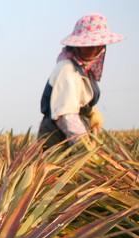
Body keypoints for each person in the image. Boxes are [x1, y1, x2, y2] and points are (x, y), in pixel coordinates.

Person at [38, 14, 123, 149]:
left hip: (74, 134)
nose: (94, 49)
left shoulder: (83, 69)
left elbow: (78, 100)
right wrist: (84, 147)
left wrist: (91, 111)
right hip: (59, 139)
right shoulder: (67, 70)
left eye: (98, 45)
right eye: (89, 45)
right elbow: (66, 116)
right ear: (77, 45)